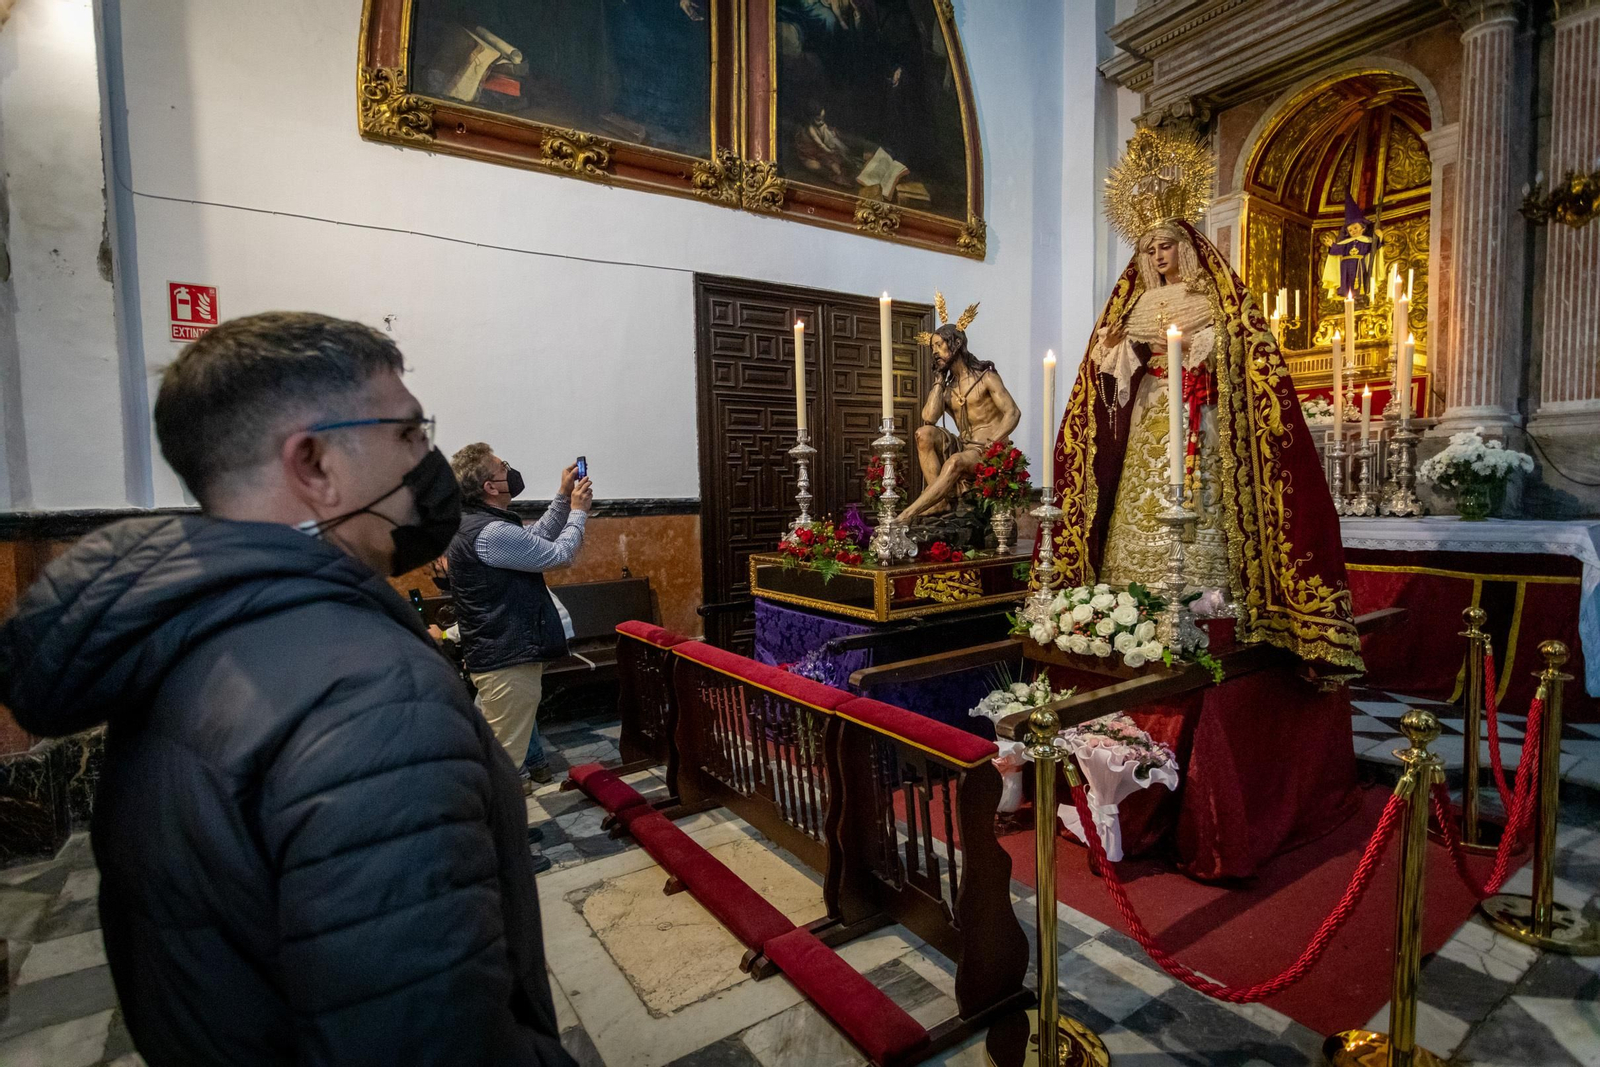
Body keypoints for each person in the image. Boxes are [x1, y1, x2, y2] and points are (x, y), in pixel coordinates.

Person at [0, 312, 575, 1066]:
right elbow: (431, 1037)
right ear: (314, 463)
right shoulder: (370, 695)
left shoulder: (192, 628)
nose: (427, 461)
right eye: (408, 433)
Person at [1048, 128, 1362, 671]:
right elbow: (1114, 375)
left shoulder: (1212, 296)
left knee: (1204, 494)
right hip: (1152, 409)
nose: (1157, 255)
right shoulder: (1136, 302)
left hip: (1200, 412)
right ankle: (1132, 597)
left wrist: (1202, 347)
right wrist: (1114, 346)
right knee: (1142, 492)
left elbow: (1240, 346)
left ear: (1186, 247)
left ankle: (1210, 597)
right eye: (1149, 248)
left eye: (1165, 245)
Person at [448, 443, 591, 793]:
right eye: (503, 467)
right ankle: (499, 825)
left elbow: (532, 540)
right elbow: (559, 555)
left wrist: (562, 497)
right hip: (507, 657)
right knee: (505, 766)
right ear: (490, 486)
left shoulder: (480, 525)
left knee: (491, 752)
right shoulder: (490, 532)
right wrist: (578, 512)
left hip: (496, 654)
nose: (510, 471)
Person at [898, 299, 1020, 524]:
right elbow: (928, 418)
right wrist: (939, 380)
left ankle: (907, 514)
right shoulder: (947, 389)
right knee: (923, 434)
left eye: (938, 345)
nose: (935, 352)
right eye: (932, 348)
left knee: (954, 462)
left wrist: (993, 443)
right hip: (965, 446)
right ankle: (940, 501)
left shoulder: (986, 378)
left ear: (956, 343)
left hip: (987, 449)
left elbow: (1012, 413)